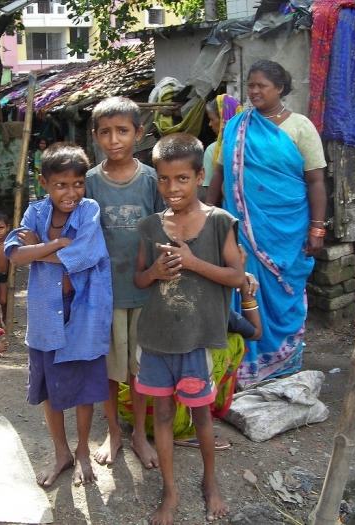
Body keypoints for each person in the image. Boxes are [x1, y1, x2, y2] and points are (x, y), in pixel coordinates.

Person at [134, 133, 245, 524]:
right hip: (157, 339)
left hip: (196, 341)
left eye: (181, 178)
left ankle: (210, 480)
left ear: (199, 176)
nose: (172, 188)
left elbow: (237, 276)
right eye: (163, 179)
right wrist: (154, 272)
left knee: (201, 417)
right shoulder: (150, 226)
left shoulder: (218, 223)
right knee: (161, 415)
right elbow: (139, 280)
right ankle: (170, 489)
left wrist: (194, 263)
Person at [207, 60, 328, 388]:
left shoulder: (300, 127)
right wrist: (205, 215)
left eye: (262, 85)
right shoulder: (234, 126)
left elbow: (316, 181)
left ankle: (281, 360)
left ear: (281, 89)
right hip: (241, 231)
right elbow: (219, 174)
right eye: (251, 85)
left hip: (285, 230)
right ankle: (242, 365)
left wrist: (317, 228)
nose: (254, 91)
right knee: (240, 289)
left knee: (281, 294)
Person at [4, 142, 112, 488]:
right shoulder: (34, 213)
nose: (71, 192)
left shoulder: (89, 210)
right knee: (50, 389)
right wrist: (55, 245)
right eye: (61, 184)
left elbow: (86, 254)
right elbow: (15, 254)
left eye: (77, 183)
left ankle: (82, 452)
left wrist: (38, 250)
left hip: (84, 313)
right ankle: (61, 452)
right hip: (45, 316)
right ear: (44, 183)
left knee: (82, 388)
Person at [85, 95, 164, 469]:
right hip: (106, 292)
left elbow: (165, 229)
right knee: (108, 366)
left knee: (140, 366)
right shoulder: (89, 182)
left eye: (123, 131)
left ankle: (137, 433)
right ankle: (113, 430)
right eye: (106, 132)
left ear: (139, 133)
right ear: (95, 136)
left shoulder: (151, 180)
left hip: (146, 290)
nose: (114, 139)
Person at [119, 262, 261, 449]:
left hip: (129, 405)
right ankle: (187, 426)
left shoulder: (158, 291)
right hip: (162, 415)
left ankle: (180, 419)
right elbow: (256, 333)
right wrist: (244, 288)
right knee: (233, 342)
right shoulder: (209, 301)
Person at [200, 95, 243, 201]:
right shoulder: (249, 143)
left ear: (224, 120)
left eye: (212, 119)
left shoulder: (213, 150)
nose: (210, 124)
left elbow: (206, 190)